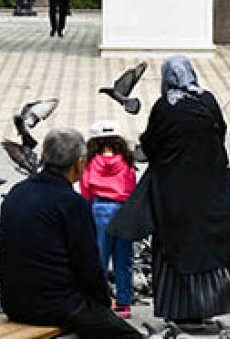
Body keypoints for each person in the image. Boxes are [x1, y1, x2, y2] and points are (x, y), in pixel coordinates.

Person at [141, 56, 230, 327]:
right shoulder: (208, 101)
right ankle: (207, 307)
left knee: (175, 246)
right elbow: (221, 134)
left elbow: (150, 144)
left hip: (175, 193)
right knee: (207, 247)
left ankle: (179, 310)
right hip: (211, 188)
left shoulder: (165, 108)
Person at [0, 128, 142, 338]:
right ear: (80, 163)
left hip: (13, 303)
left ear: (44, 158)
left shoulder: (17, 192)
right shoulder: (73, 203)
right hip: (56, 306)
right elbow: (89, 266)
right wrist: (103, 307)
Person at [79, 121, 138, 319]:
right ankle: (123, 304)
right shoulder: (126, 161)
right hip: (123, 211)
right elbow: (132, 187)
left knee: (99, 259)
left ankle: (99, 301)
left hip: (99, 210)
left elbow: (85, 188)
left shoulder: (91, 162)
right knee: (124, 260)